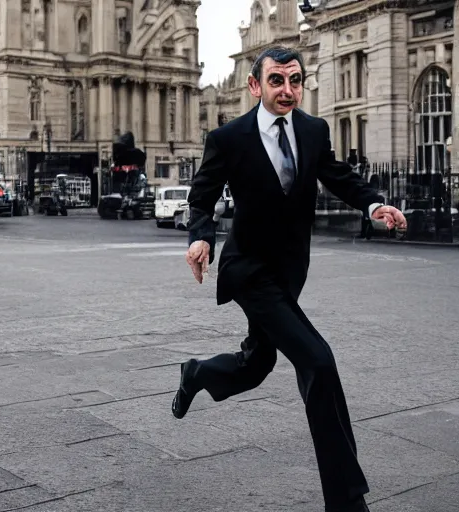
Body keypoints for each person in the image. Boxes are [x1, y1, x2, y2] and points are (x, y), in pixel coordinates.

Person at [172, 46, 407, 512]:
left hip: (288, 273)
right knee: (317, 361)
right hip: (248, 271)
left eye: (296, 80)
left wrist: (373, 205)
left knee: (256, 365)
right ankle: (346, 501)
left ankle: (196, 373)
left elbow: (339, 177)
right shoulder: (230, 137)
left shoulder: (313, 130)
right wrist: (201, 239)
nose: (288, 90)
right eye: (277, 80)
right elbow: (202, 198)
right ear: (255, 86)